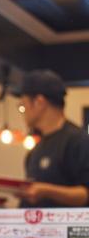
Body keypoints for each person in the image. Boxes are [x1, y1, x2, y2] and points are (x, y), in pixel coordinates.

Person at [15, 70, 89, 207]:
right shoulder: (36, 149)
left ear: (39, 102)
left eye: (22, 106)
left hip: (66, 227)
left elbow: (85, 193)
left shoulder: (78, 141)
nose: (23, 112)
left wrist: (46, 191)